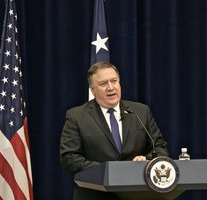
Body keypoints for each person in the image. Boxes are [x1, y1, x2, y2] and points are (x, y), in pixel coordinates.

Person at [60, 61, 169, 200]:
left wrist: (146, 160)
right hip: (95, 195)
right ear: (93, 90)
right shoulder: (77, 116)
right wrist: (108, 171)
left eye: (114, 81)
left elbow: (160, 148)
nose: (110, 87)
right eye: (103, 84)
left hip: (137, 194)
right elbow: (69, 159)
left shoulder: (140, 112)